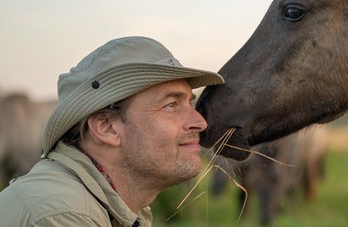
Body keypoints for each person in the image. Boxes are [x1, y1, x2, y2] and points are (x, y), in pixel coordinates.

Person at [0, 36, 224, 226]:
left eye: (189, 103)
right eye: (171, 105)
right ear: (106, 127)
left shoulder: (102, 204)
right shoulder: (62, 216)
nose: (200, 122)